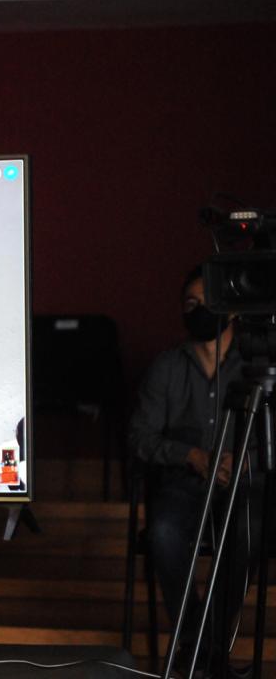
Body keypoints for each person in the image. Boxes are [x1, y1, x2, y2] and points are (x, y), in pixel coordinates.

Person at [128, 265, 257, 677]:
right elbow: (140, 436)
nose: (199, 310)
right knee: (163, 532)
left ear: (230, 310)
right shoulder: (167, 367)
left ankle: (200, 646)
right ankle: (201, 644)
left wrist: (246, 459)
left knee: (247, 534)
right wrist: (191, 456)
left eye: (208, 302)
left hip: (240, 485)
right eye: (190, 303)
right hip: (183, 484)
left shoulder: (253, 366)